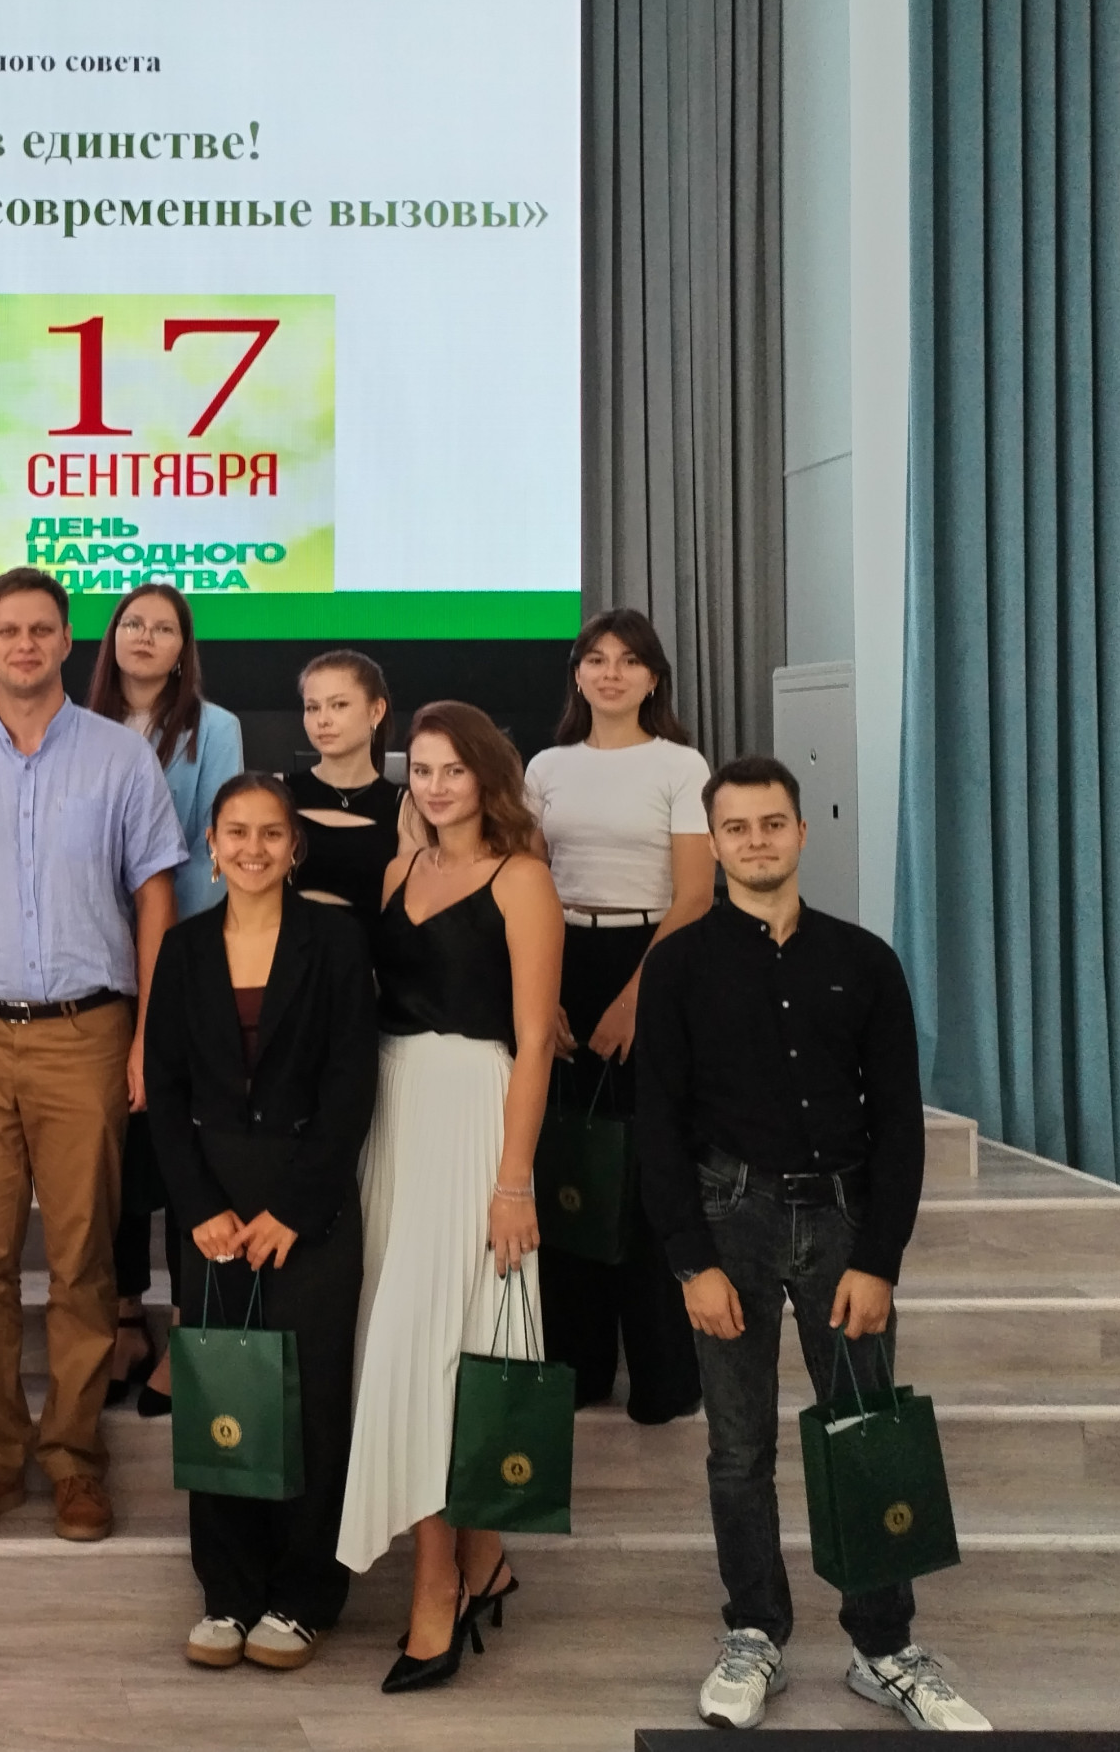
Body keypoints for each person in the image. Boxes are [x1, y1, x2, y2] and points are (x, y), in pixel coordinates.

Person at [633, 758, 984, 1732]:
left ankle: (884, 1647)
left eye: (771, 823)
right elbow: (655, 1122)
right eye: (736, 827)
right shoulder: (677, 965)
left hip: (841, 1223)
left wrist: (880, 1258)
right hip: (727, 1220)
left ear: (799, 831)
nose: (755, 840)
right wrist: (689, 1260)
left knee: (867, 1436)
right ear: (713, 841)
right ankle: (754, 1633)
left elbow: (898, 1123)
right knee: (737, 1449)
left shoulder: (863, 960)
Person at [0, 567, 187, 1543]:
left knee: (81, 1261)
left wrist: (147, 1033)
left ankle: (73, 1461)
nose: (23, 645)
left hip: (86, 1033)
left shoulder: (121, 759)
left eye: (40, 630)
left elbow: (154, 899)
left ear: (67, 642)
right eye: (7, 630)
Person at [337, 700, 562, 1693]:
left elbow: (533, 1046)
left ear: (486, 777)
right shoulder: (395, 874)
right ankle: (483, 1557)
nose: (432, 787)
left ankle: (438, 1585)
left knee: (434, 1351)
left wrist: (512, 1181)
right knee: (409, 1340)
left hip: (476, 1115)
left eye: (450, 770)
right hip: (390, 1117)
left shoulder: (523, 880)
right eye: (419, 770)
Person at [147, 774, 377, 1674]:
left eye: (270, 834)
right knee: (221, 1391)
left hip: (307, 1199)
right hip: (212, 1202)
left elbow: (351, 1085)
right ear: (211, 845)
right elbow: (165, 1089)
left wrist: (294, 1212)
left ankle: (303, 1595)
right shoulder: (184, 946)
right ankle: (228, 1592)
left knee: (309, 1398)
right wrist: (200, 1208)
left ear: (294, 847)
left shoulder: (336, 941)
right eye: (235, 833)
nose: (252, 849)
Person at [524, 610, 715, 1425]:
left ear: (653, 677)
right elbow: (528, 881)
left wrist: (636, 998)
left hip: (655, 959)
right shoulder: (547, 766)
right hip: (560, 953)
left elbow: (696, 895)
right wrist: (546, 994)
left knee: (644, 1171)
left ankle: (665, 1374)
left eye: (629, 661)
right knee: (571, 1167)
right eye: (596, 659)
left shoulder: (680, 764)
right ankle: (580, 1365)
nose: (611, 673)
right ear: (576, 673)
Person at [87, 583, 245, 1416]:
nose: (145, 637)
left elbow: (212, 850)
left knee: (182, 1143)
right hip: (92, 967)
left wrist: (169, 948)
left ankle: (188, 1328)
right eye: (132, 624)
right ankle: (122, 1318)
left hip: (184, 961)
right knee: (112, 1150)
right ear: (111, 638)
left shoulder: (214, 729)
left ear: (185, 648)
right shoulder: (76, 725)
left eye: (164, 628)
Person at [286, 651, 404, 939]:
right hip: (285, 954)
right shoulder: (279, 794)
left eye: (338, 705)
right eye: (312, 707)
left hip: (369, 958)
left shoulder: (404, 806)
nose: (322, 720)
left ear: (376, 711)